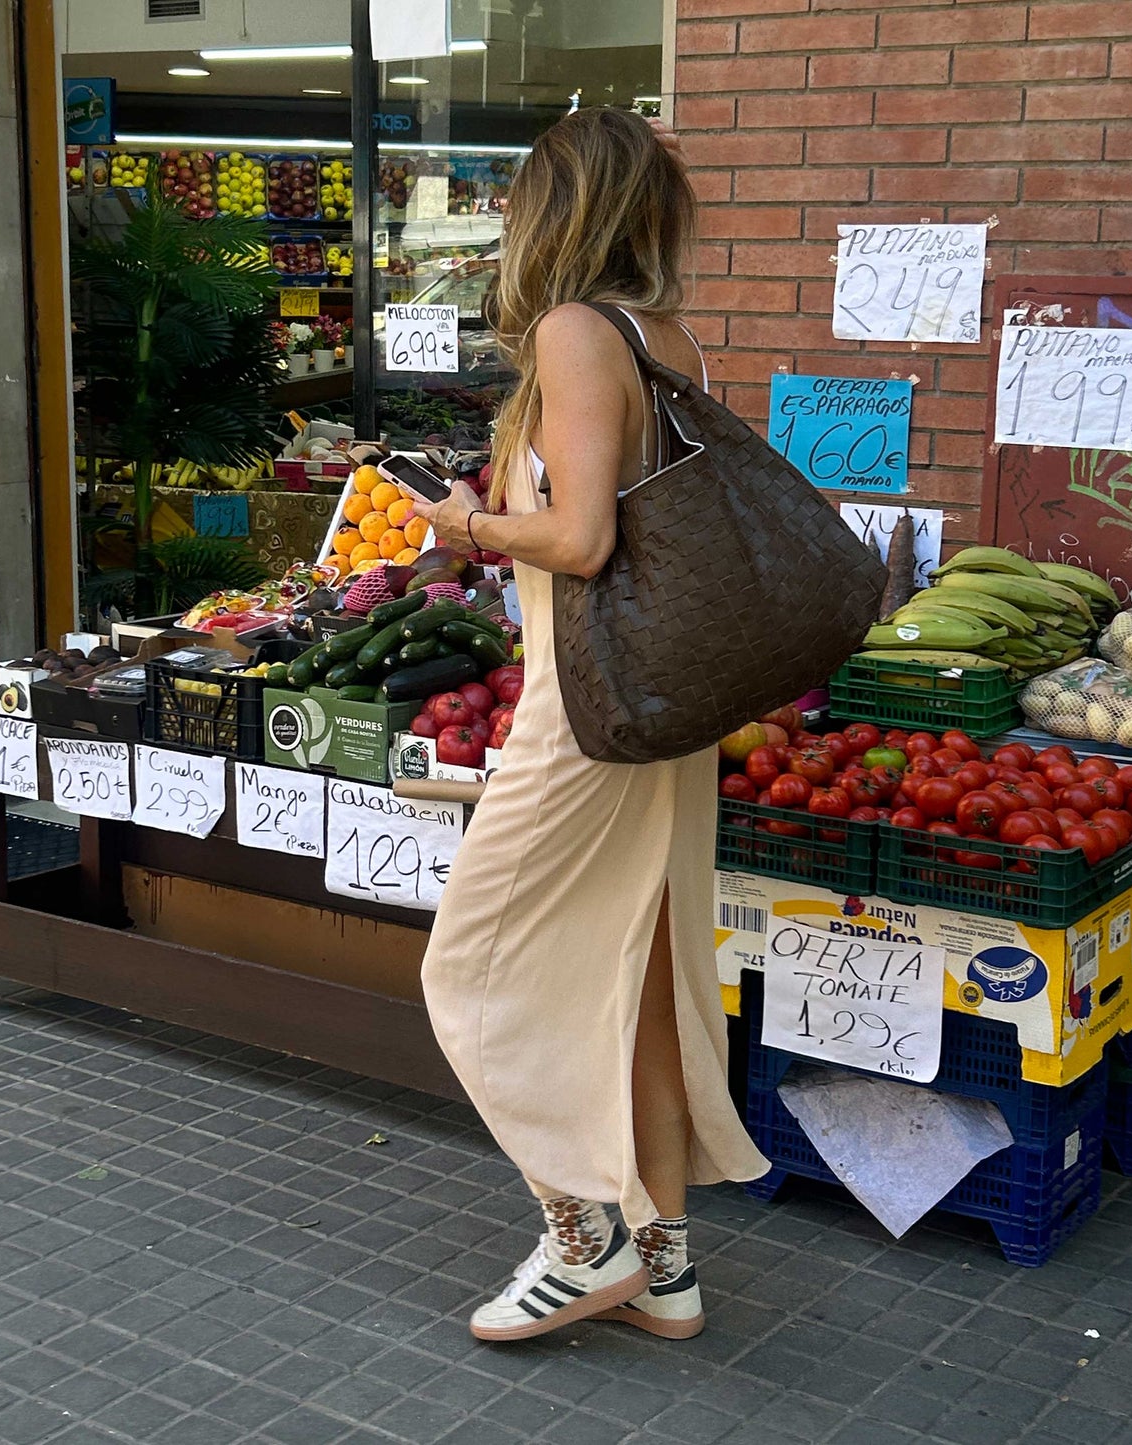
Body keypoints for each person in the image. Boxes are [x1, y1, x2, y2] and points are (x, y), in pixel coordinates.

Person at [405, 107, 768, 1345]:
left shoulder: (574, 332)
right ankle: (666, 1269)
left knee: (471, 966)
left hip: (586, 714)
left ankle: (587, 1232)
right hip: (664, 709)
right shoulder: (665, 338)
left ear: (553, 213)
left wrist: (463, 526)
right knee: (645, 986)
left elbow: (580, 540)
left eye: (517, 202)